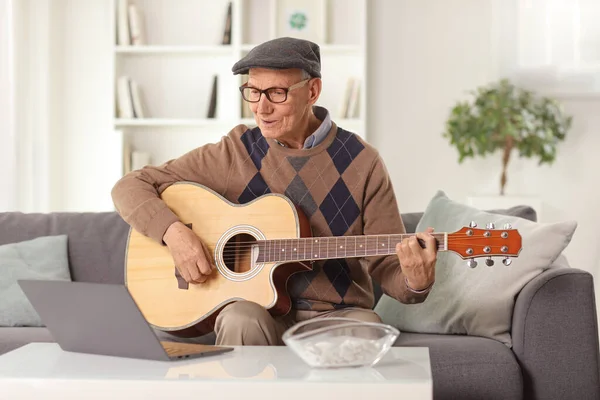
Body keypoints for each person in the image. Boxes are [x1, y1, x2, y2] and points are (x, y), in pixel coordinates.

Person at [111, 37, 437, 346]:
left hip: (337, 315)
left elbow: (387, 266)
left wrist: (415, 280)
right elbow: (130, 186)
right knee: (239, 317)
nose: (261, 108)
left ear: (313, 91)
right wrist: (174, 233)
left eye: (276, 93)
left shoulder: (363, 161)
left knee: (367, 331)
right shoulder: (235, 151)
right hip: (258, 310)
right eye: (252, 92)